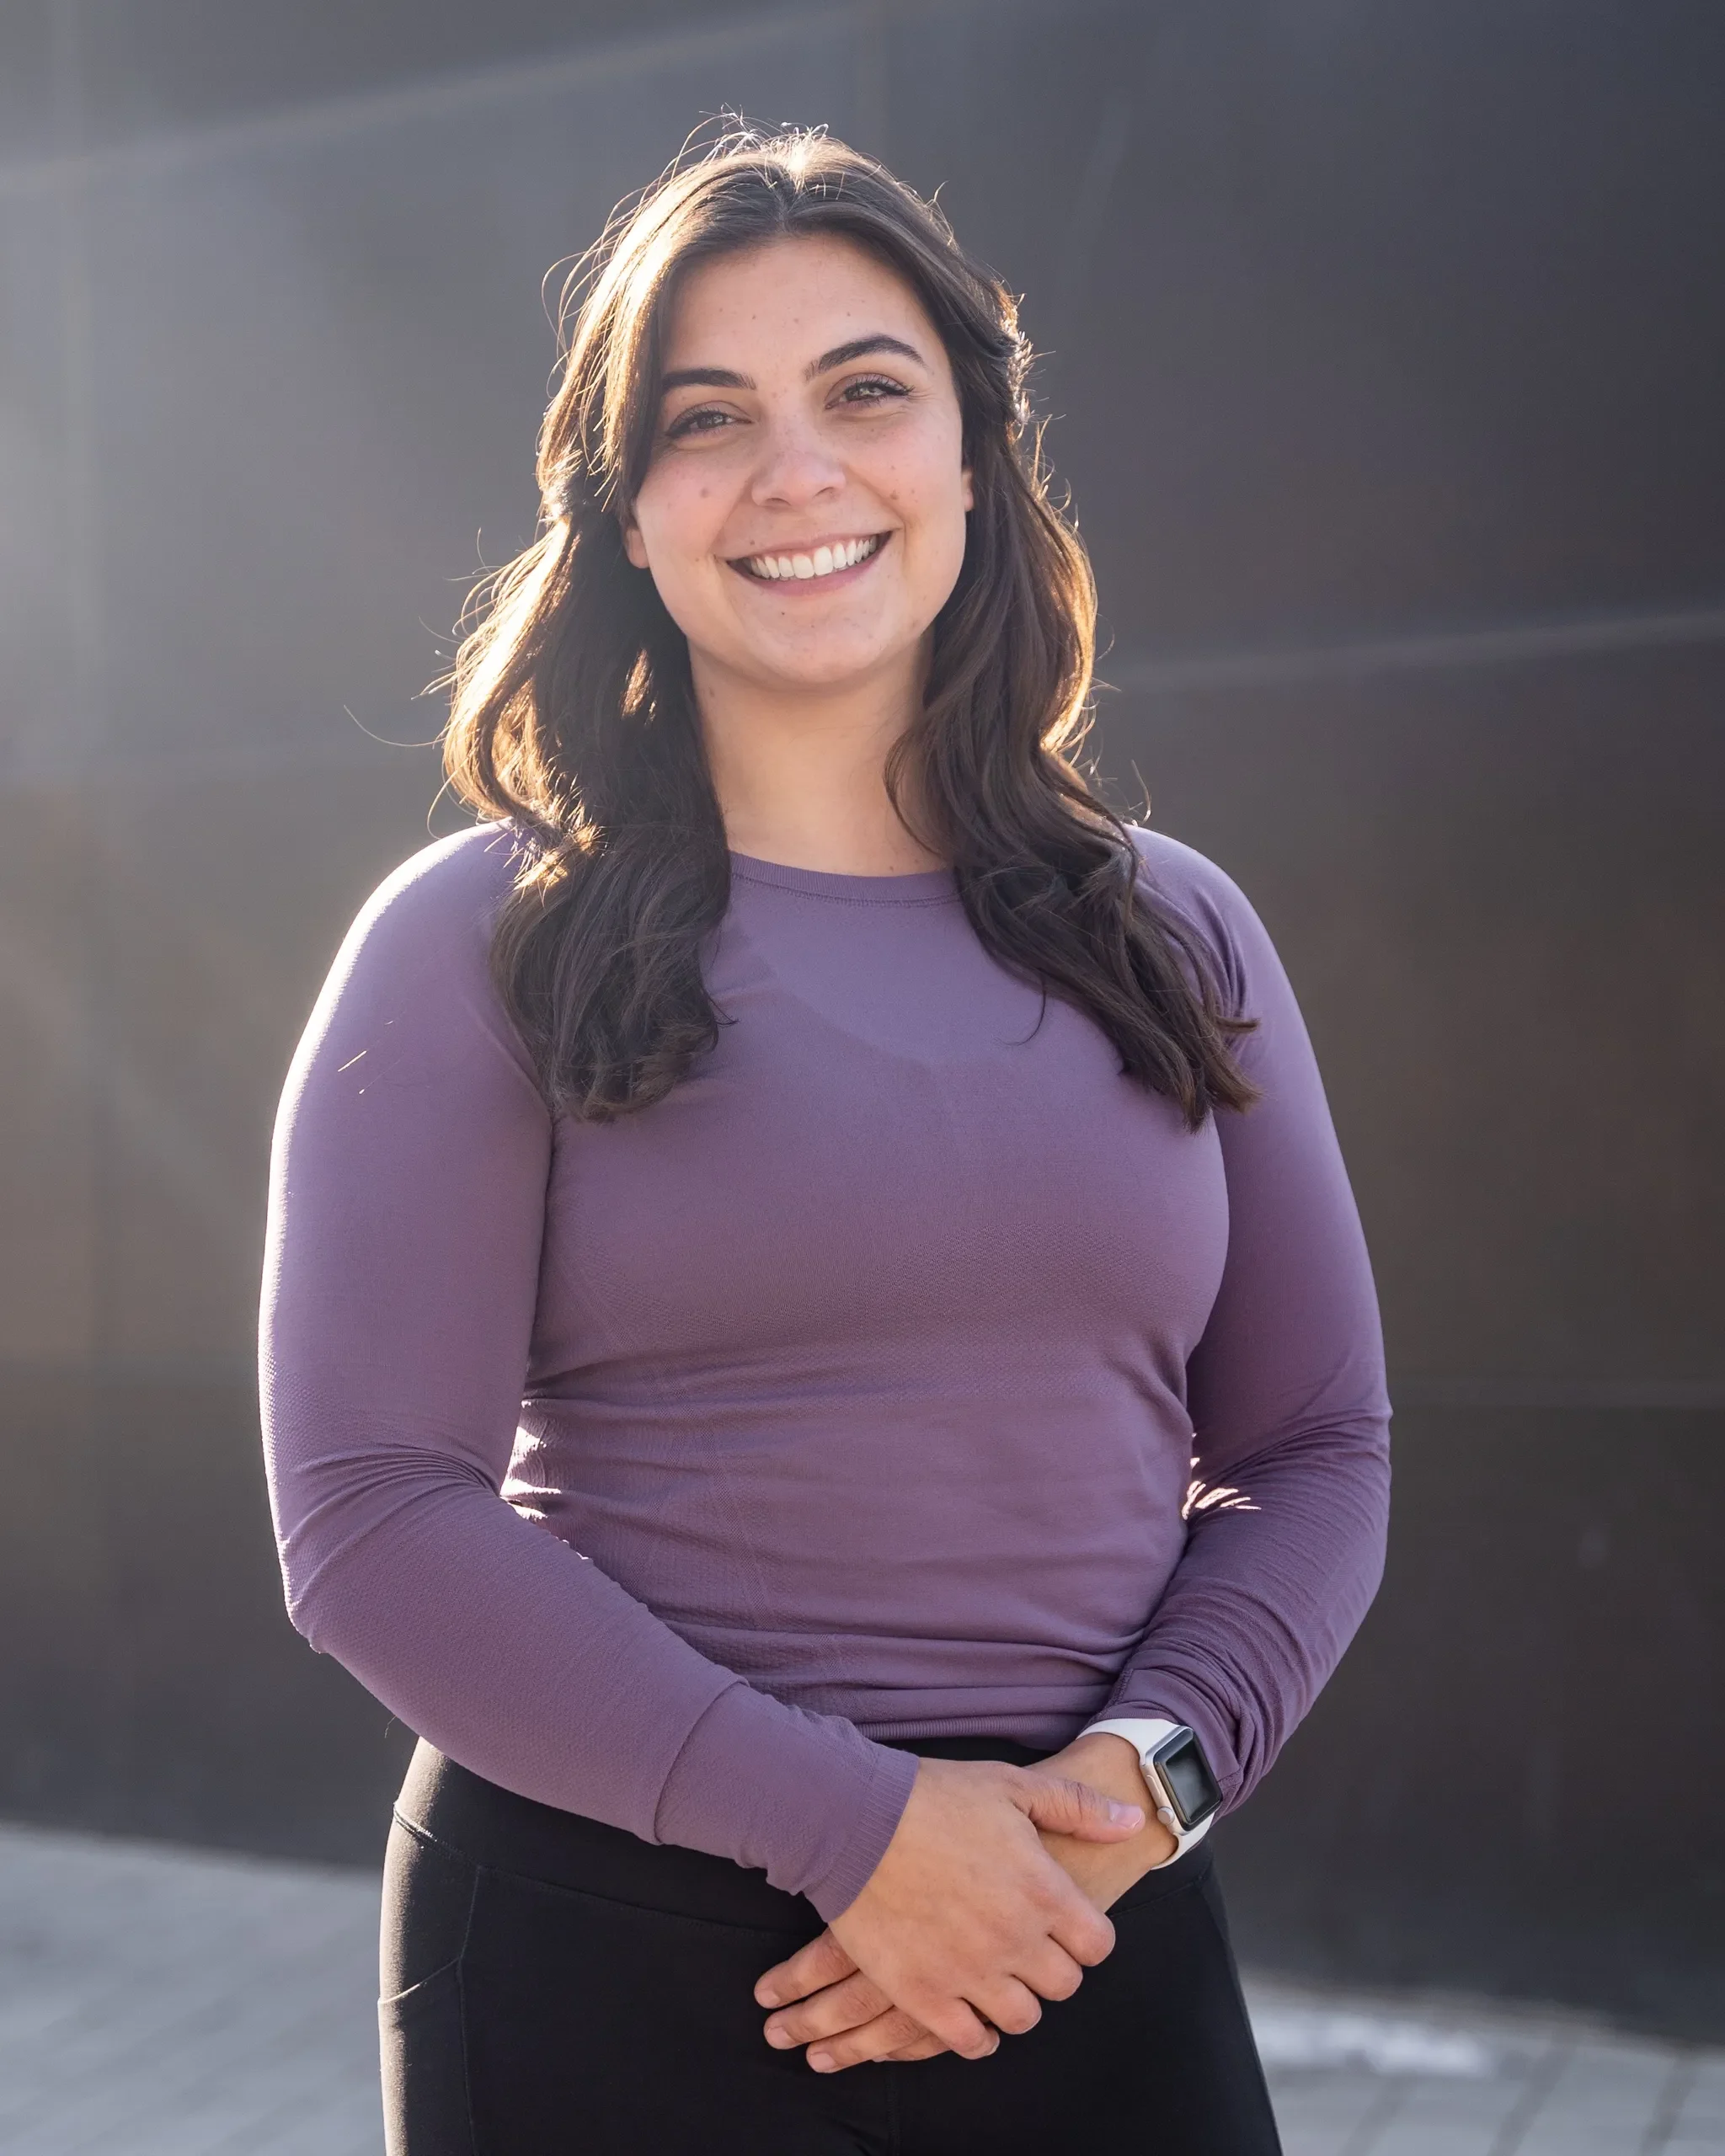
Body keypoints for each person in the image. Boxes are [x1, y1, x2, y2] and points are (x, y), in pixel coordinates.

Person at [260, 123, 1390, 2155]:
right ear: (625, 509)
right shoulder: (478, 941)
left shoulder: (1176, 930)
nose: (796, 472)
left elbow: (1318, 1444)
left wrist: (1138, 1785)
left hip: (1083, 1909)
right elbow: (370, 1511)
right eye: (708, 419)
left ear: (973, 452)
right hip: (611, 1942)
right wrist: (854, 1826)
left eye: (865, 392)